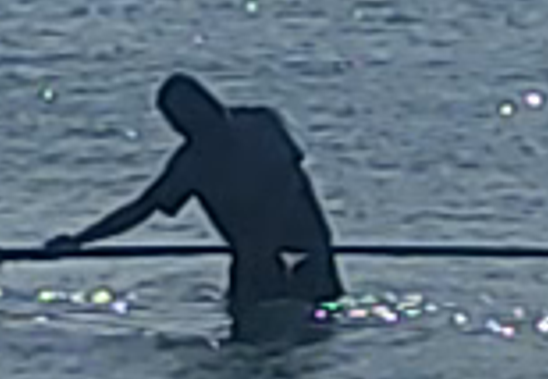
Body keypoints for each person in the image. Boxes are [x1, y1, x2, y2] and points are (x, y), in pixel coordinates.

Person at [42, 71, 343, 328]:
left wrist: (267, 235)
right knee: (251, 344)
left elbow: (288, 179)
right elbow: (142, 209)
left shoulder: (262, 124)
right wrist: (80, 240)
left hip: (307, 253)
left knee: (314, 334)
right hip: (256, 266)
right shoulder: (193, 164)